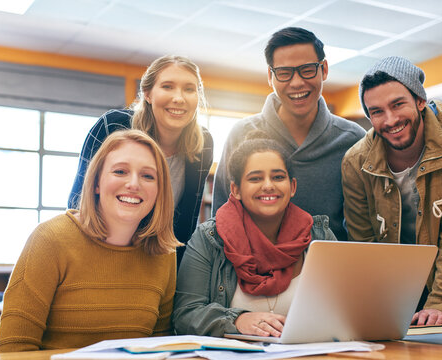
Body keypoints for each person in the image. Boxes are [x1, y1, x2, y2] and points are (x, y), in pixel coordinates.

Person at [341, 56, 442, 326]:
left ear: (420, 101)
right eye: (376, 111)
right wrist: (379, 305)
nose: (390, 120)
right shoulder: (356, 162)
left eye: (398, 104)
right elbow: (363, 242)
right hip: (396, 296)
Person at [0, 130, 180, 352]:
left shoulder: (163, 254)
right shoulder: (49, 240)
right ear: (96, 184)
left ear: (160, 191)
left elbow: (160, 347)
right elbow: (13, 350)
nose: (133, 184)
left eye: (148, 176)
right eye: (120, 171)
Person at [173, 132, 336, 337]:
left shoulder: (321, 237)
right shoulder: (209, 238)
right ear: (236, 190)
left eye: (278, 177)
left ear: (292, 186)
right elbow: (185, 315)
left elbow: (344, 307)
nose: (268, 185)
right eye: (255, 178)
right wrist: (237, 320)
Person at [211, 27, 365, 242]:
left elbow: (362, 228)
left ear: (324, 69)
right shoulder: (242, 134)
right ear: (270, 76)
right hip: (252, 271)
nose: (297, 82)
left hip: (330, 271)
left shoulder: (354, 139)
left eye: (308, 69)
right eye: (284, 73)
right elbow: (222, 217)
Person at [68, 55, 213, 264]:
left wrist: (175, 282)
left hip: (155, 259)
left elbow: (185, 223)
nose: (179, 98)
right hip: (97, 250)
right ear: (148, 94)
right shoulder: (113, 126)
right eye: (167, 86)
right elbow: (78, 202)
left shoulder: (203, 144)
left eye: (189, 89)